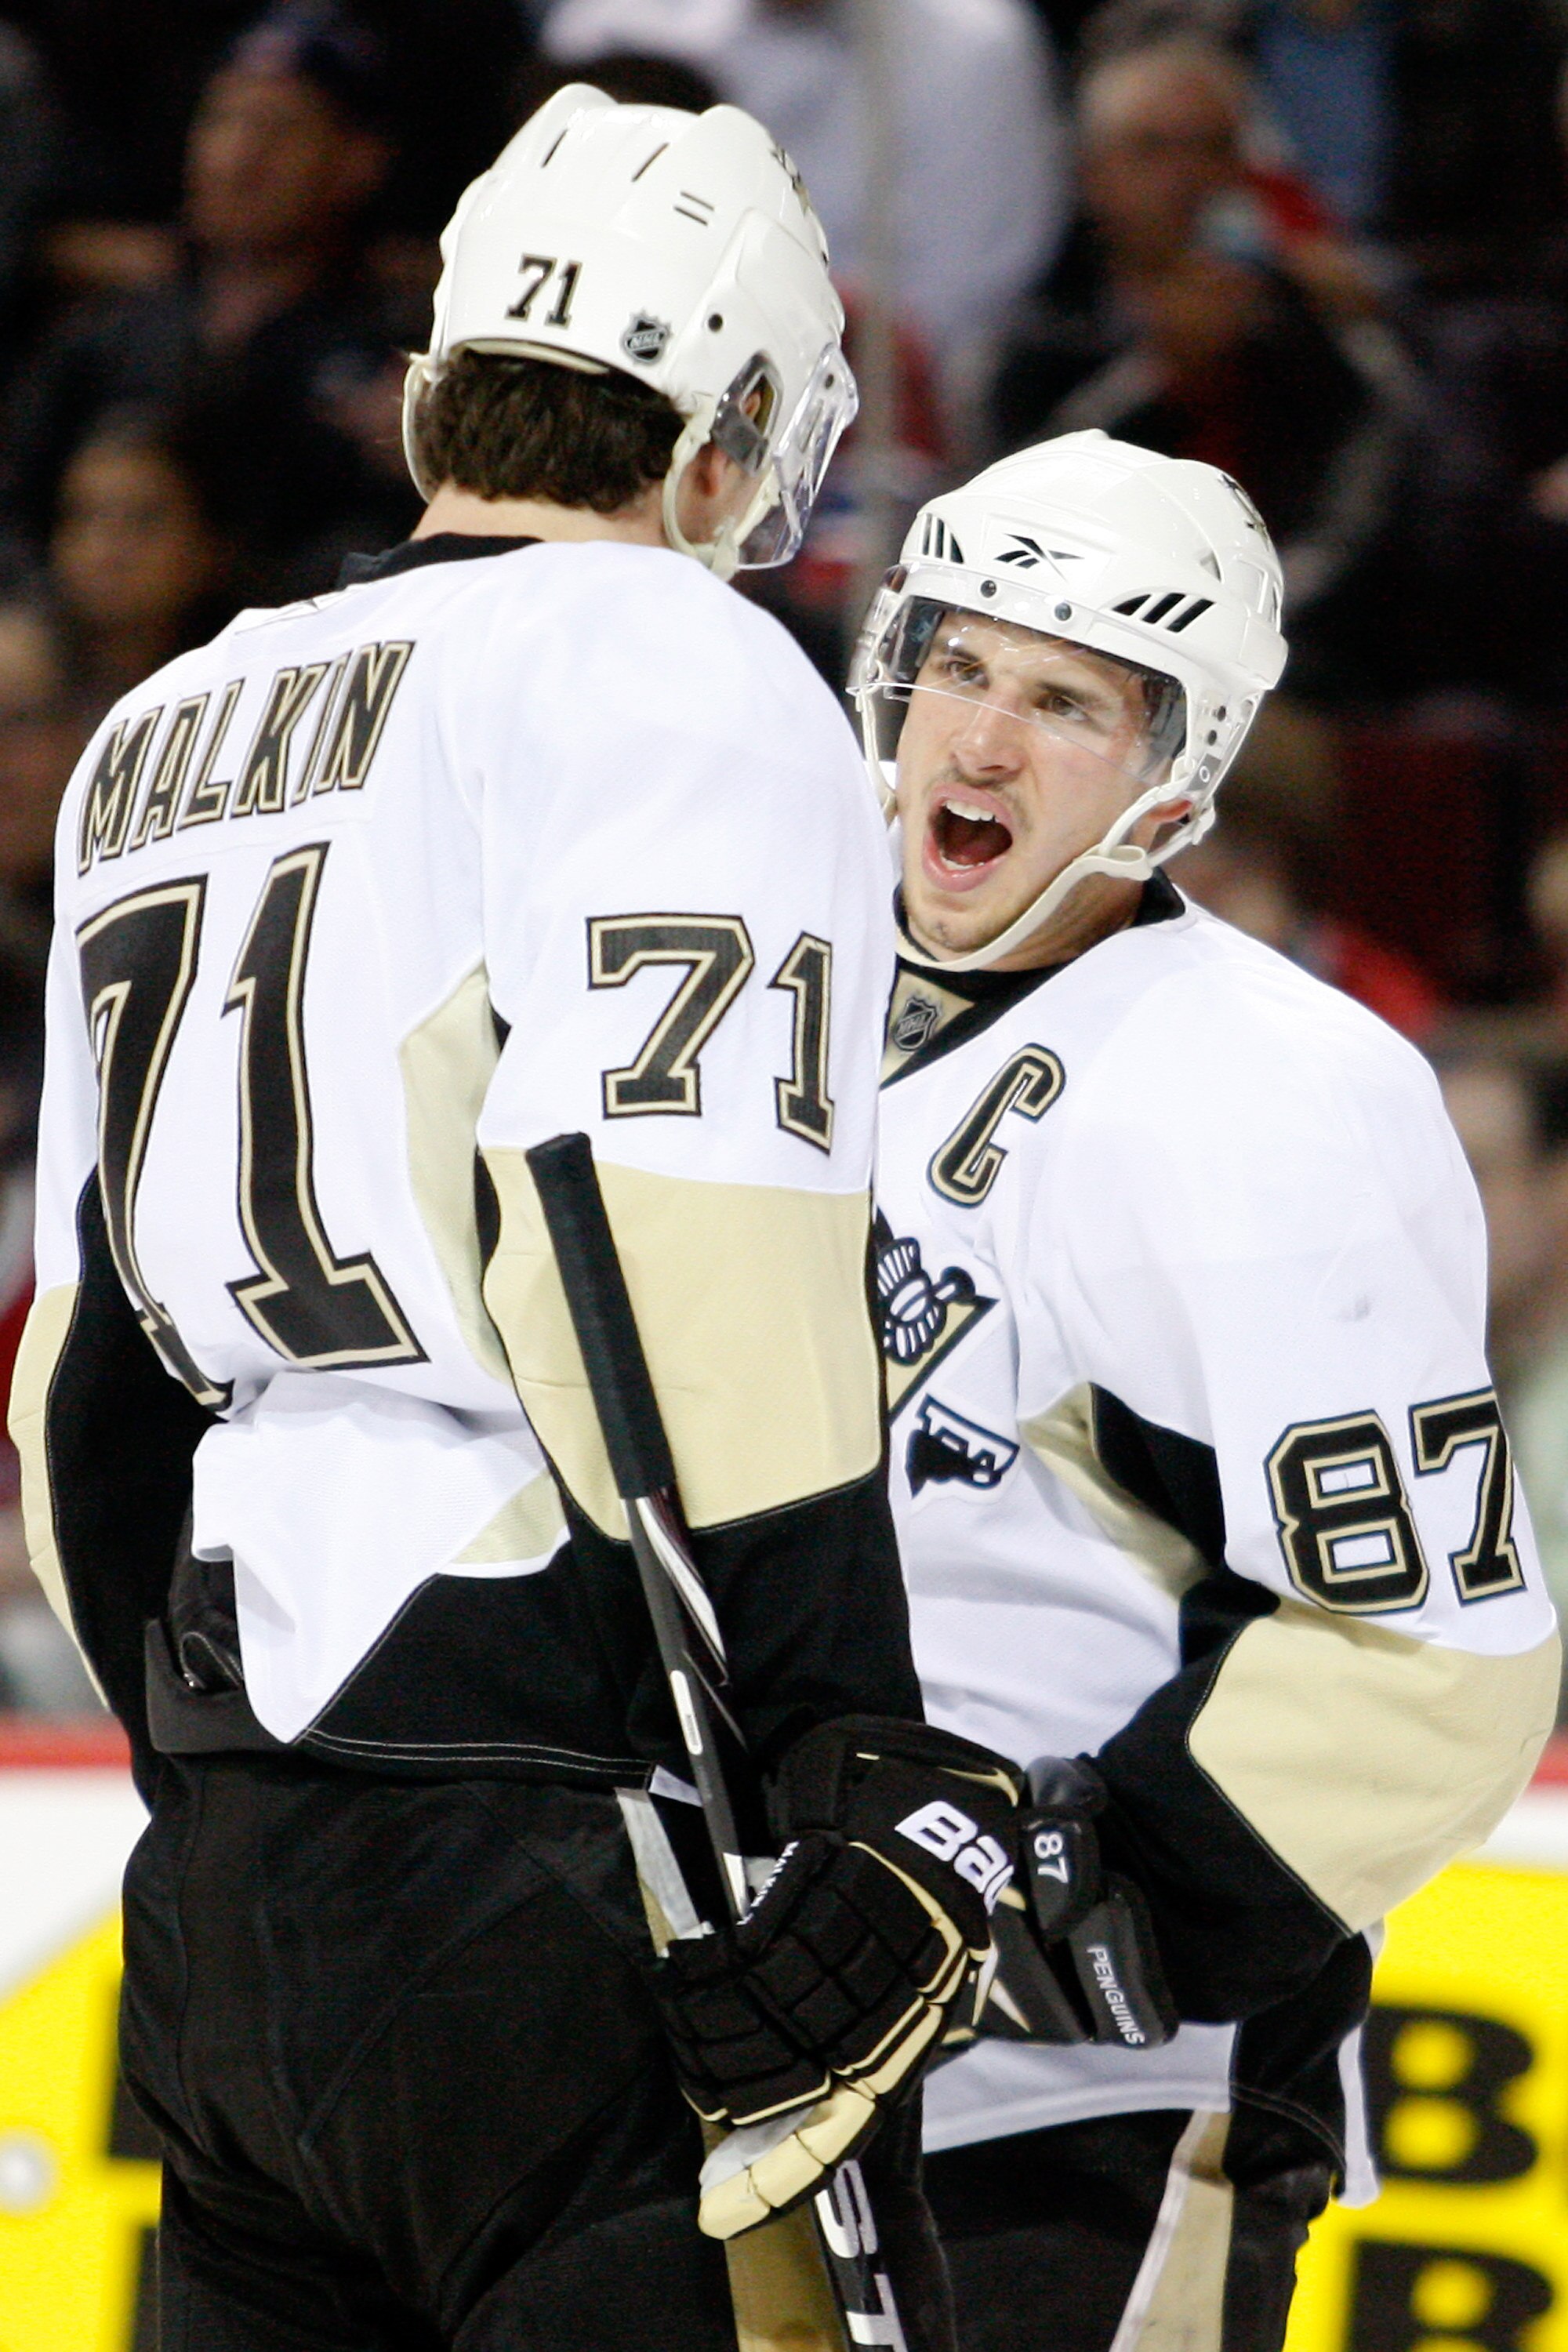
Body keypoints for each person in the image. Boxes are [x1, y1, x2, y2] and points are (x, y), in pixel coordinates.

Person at [12, 86, 1020, 2351]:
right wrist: (847, 1751)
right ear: (722, 428)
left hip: (230, 1850)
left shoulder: (165, 717)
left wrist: (224, 1780)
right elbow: (676, 1238)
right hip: (549, 1815)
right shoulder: (672, 663)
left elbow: (82, 1358)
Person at [845, 428, 1561, 2352]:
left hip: (1087, 2107)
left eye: (1065, 699)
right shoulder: (765, 999)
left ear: (1179, 770)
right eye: (963, 667)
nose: (979, 743)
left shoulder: (1266, 1096)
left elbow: (1427, 1654)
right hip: (731, 2066)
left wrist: (1057, 1922)